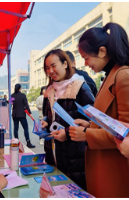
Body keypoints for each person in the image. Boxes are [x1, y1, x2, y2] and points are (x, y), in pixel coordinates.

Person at [68, 22, 129, 198]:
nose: (86, 64)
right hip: (104, 165)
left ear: (102, 51)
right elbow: (112, 120)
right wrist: (90, 124)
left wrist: (87, 134)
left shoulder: (123, 76)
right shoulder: (110, 76)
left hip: (115, 171)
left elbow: (127, 132)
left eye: (87, 57)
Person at [41, 49, 95, 191]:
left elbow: (93, 121)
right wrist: (46, 121)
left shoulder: (80, 87)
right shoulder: (50, 90)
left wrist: (66, 132)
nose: (50, 71)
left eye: (53, 66)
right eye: (47, 68)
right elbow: (49, 115)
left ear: (65, 64)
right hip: (53, 155)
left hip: (75, 158)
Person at [11, 84, 35, 148]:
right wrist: (30, 113)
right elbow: (26, 105)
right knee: (25, 128)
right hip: (22, 114)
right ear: (20, 88)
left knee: (16, 128)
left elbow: (10, 104)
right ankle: (28, 142)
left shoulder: (12, 95)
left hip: (15, 114)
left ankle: (16, 143)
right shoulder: (23, 95)